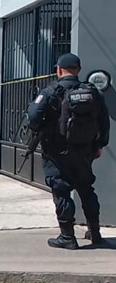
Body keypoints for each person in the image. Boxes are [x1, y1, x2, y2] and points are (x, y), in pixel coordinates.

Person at [27, 53, 110, 249]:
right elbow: (104, 122)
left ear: (58, 69)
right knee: (86, 190)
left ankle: (67, 237)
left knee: (61, 190)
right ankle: (95, 232)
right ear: (79, 70)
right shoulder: (93, 92)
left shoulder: (50, 92)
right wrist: (99, 146)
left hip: (57, 152)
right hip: (85, 151)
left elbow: (32, 118)